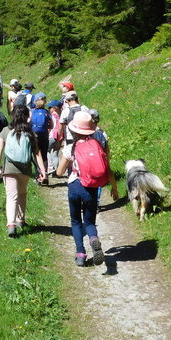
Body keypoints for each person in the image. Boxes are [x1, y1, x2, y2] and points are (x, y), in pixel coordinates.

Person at [56, 111, 119, 265]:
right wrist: (114, 188)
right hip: (91, 187)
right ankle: (93, 238)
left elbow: (59, 172)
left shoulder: (70, 148)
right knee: (89, 222)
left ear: (73, 130)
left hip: (75, 187)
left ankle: (80, 254)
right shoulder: (97, 145)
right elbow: (108, 169)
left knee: (76, 221)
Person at [0, 105, 47, 237]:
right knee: (22, 194)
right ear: (27, 117)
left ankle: (11, 224)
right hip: (25, 169)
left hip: (9, 168)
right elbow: (37, 153)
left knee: (11, 196)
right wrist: (42, 170)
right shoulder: (30, 132)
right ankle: (20, 220)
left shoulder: (6, 130)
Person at [28, 93, 51, 184]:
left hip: (34, 136)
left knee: (36, 155)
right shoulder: (47, 112)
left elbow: (28, 122)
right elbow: (51, 125)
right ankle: (45, 174)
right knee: (45, 156)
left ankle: (38, 176)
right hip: (44, 136)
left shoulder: (31, 111)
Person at [46, 99, 63, 175]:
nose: (48, 109)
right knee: (55, 152)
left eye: (50, 108)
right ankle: (57, 168)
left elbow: (50, 127)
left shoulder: (52, 116)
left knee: (48, 151)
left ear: (54, 108)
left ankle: (50, 168)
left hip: (51, 135)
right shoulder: (59, 116)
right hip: (57, 136)